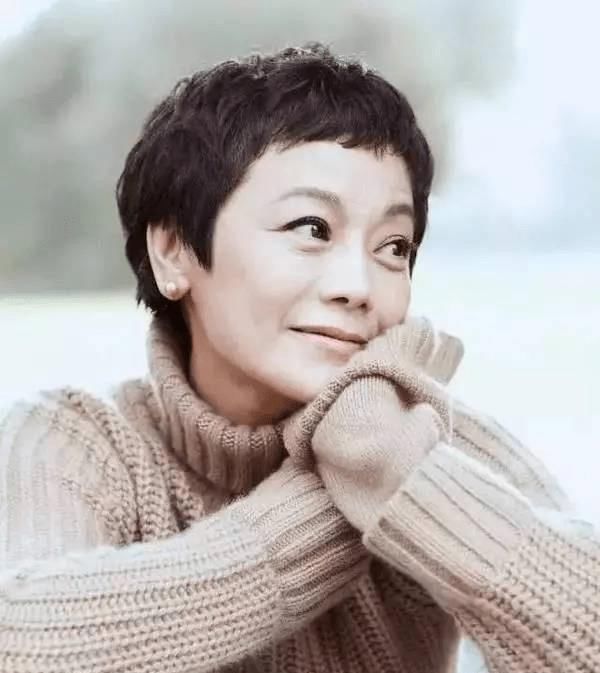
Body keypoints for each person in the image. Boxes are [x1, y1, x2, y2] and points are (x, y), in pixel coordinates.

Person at [0, 42, 597, 673]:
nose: (359, 286)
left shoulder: (430, 439)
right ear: (173, 251)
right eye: (312, 229)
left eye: (394, 246)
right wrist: (345, 493)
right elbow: (20, 645)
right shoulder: (78, 443)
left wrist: (407, 477)